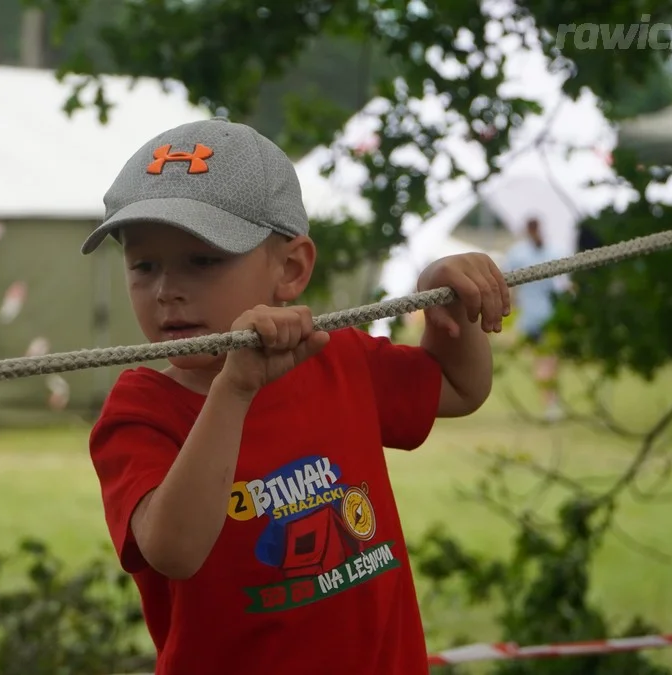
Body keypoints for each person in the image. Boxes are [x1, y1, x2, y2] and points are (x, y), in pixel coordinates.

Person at [80, 116, 509, 675]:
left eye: (203, 260)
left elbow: (457, 386)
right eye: (144, 266)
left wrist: (454, 301)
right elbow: (176, 551)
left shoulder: (336, 357)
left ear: (291, 268)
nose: (167, 291)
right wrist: (234, 390)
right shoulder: (140, 410)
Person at [504, 217, 564, 422]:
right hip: (534, 318)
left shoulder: (553, 252)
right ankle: (550, 405)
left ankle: (551, 402)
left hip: (550, 316)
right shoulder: (518, 254)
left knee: (550, 362)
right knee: (545, 362)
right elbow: (508, 286)